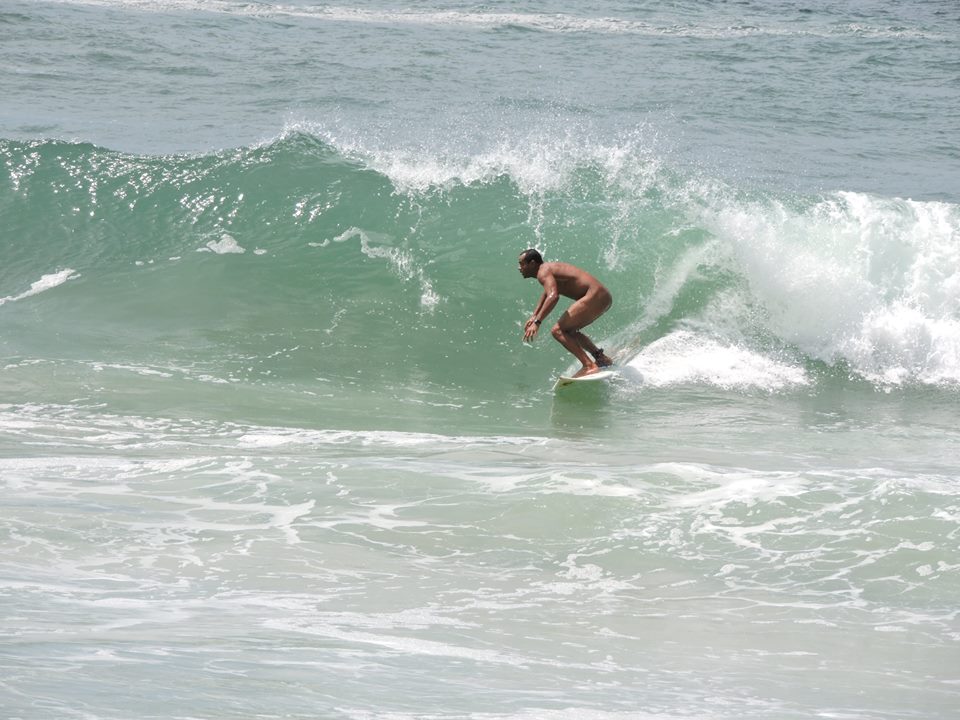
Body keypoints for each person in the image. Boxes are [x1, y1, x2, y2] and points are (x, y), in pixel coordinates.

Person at [518, 248, 614, 377]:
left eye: (522, 264)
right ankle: (600, 357)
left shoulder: (543, 272)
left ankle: (589, 366)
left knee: (557, 330)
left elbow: (553, 296)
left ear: (532, 263)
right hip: (602, 297)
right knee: (569, 331)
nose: (520, 268)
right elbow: (547, 292)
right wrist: (535, 315)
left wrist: (537, 322)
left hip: (595, 296)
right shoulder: (547, 270)